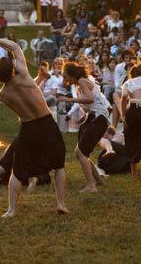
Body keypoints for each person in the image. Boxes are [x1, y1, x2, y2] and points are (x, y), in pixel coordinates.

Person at [0, 34, 67, 217]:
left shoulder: (2, 94)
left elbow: (20, 113)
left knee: (17, 170)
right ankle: (61, 204)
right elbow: (15, 46)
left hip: (28, 128)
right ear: (13, 68)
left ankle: (11, 210)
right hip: (46, 122)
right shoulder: (24, 76)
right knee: (59, 165)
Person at [59, 62, 111, 193]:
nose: (65, 80)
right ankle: (98, 180)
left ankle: (91, 185)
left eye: (66, 76)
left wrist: (69, 100)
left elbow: (89, 99)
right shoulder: (79, 84)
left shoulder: (82, 81)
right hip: (93, 117)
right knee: (81, 152)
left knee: (81, 152)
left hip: (98, 118)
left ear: (72, 75)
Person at [118, 63, 141, 181]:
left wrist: (123, 116)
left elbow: (123, 99)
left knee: (131, 140)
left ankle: (134, 174)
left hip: (133, 110)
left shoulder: (129, 82)